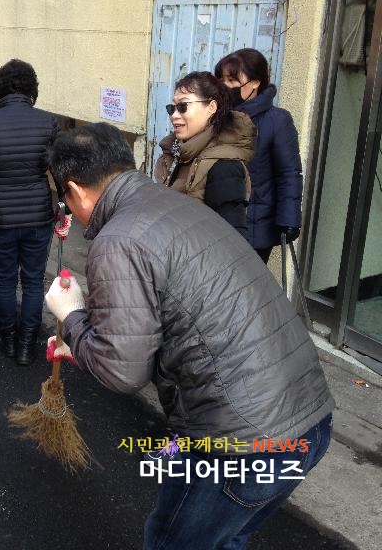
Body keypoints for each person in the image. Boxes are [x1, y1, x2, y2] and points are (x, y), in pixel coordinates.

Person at [44, 122, 335, 550]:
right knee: (228, 536)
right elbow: (167, 323)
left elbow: (122, 372)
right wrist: (86, 333)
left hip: (244, 444)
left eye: (65, 200)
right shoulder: (177, 205)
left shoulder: (118, 239)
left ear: (74, 190)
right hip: (309, 422)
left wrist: (70, 316)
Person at [0, 58, 62, 366]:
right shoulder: (48, 122)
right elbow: (63, 170)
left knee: (5, 280)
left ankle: (8, 339)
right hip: (38, 215)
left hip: (1, 217)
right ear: (32, 89)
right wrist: (66, 210)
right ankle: (26, 346)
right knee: (33, 281)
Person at [215, 48, 303, 263]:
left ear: (255, 83)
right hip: (216, 220)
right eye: (221, 79)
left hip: (255, 223)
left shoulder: (277, 120)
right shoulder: (216, 116)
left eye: (232, 80)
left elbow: (289, 172)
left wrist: (289, 219)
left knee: (245, 281)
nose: (225, 86)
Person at [154, 71, 255, 239]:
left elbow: (233, 241)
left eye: (183, 106)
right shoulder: (178, 153)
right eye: (172, 108)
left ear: (211, 107)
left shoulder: (224, 167)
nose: (174, 115)